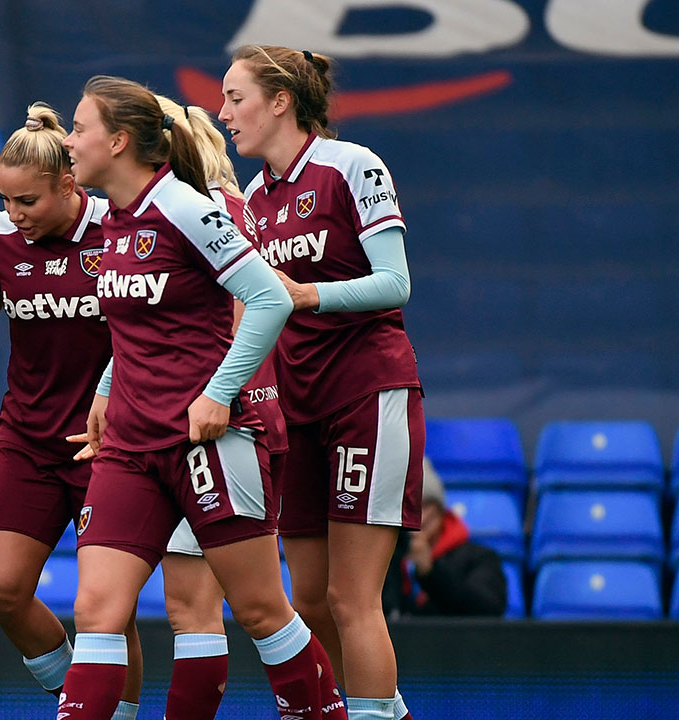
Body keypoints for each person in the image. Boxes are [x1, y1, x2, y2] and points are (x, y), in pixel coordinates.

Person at [56, 75, 343, 720]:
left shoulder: (186, 207)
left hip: (208, 442)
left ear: (121, 140)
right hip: (130, 445)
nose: (69, 141)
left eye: (80, 128)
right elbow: (135, 327)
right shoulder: (112, 221)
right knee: (96, 610)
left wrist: (219, 394)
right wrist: (105, 390)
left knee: (261, 610)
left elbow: (269, 299)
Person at [219, 45, 425, 720]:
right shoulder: (252, 197)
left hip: (366, 391)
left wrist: (307, 295)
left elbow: (397, 282)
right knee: (307, 600)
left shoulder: (351, 165)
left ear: (281, 101)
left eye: (236, 98)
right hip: (296, 409)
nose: (225, 115)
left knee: (350, 598)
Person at [0, 103, 145, 720]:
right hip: (26, 440)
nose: (14, 215)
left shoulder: (119, 232)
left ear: (69, 185)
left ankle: (105, 711)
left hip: (110, 442)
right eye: (6, 200)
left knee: (107, 606)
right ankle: (82, 700)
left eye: (28, 202)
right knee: (1, 587)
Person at [146, 92, 296, 720]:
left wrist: (216, 397)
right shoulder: (225, 203)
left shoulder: (192, 210)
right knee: (214, 608)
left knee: (246, 609)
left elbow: (246, 315)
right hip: (242, 420)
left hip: (218, 428)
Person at [384, 459, 506, 617]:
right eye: (409, 505)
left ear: (441, 512)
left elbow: (489, 609)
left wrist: (430, 572)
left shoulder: (478, 558)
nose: (418, 515)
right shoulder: (384, 558)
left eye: (425, 505)